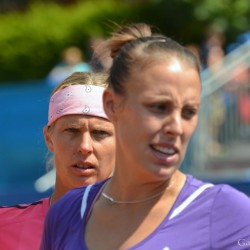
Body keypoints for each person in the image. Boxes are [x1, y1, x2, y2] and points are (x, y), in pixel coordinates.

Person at [41, 23, 250, 250]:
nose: (177, 127)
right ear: (112, 105)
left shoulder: (229, 213)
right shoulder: (65, 214)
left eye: (189, 112)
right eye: (159, 107)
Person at [0, 71, 115, 250]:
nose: (85, 146)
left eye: (100, 132)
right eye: (72, 130)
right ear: (49, 138)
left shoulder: (154, 233)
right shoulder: (4, 229)